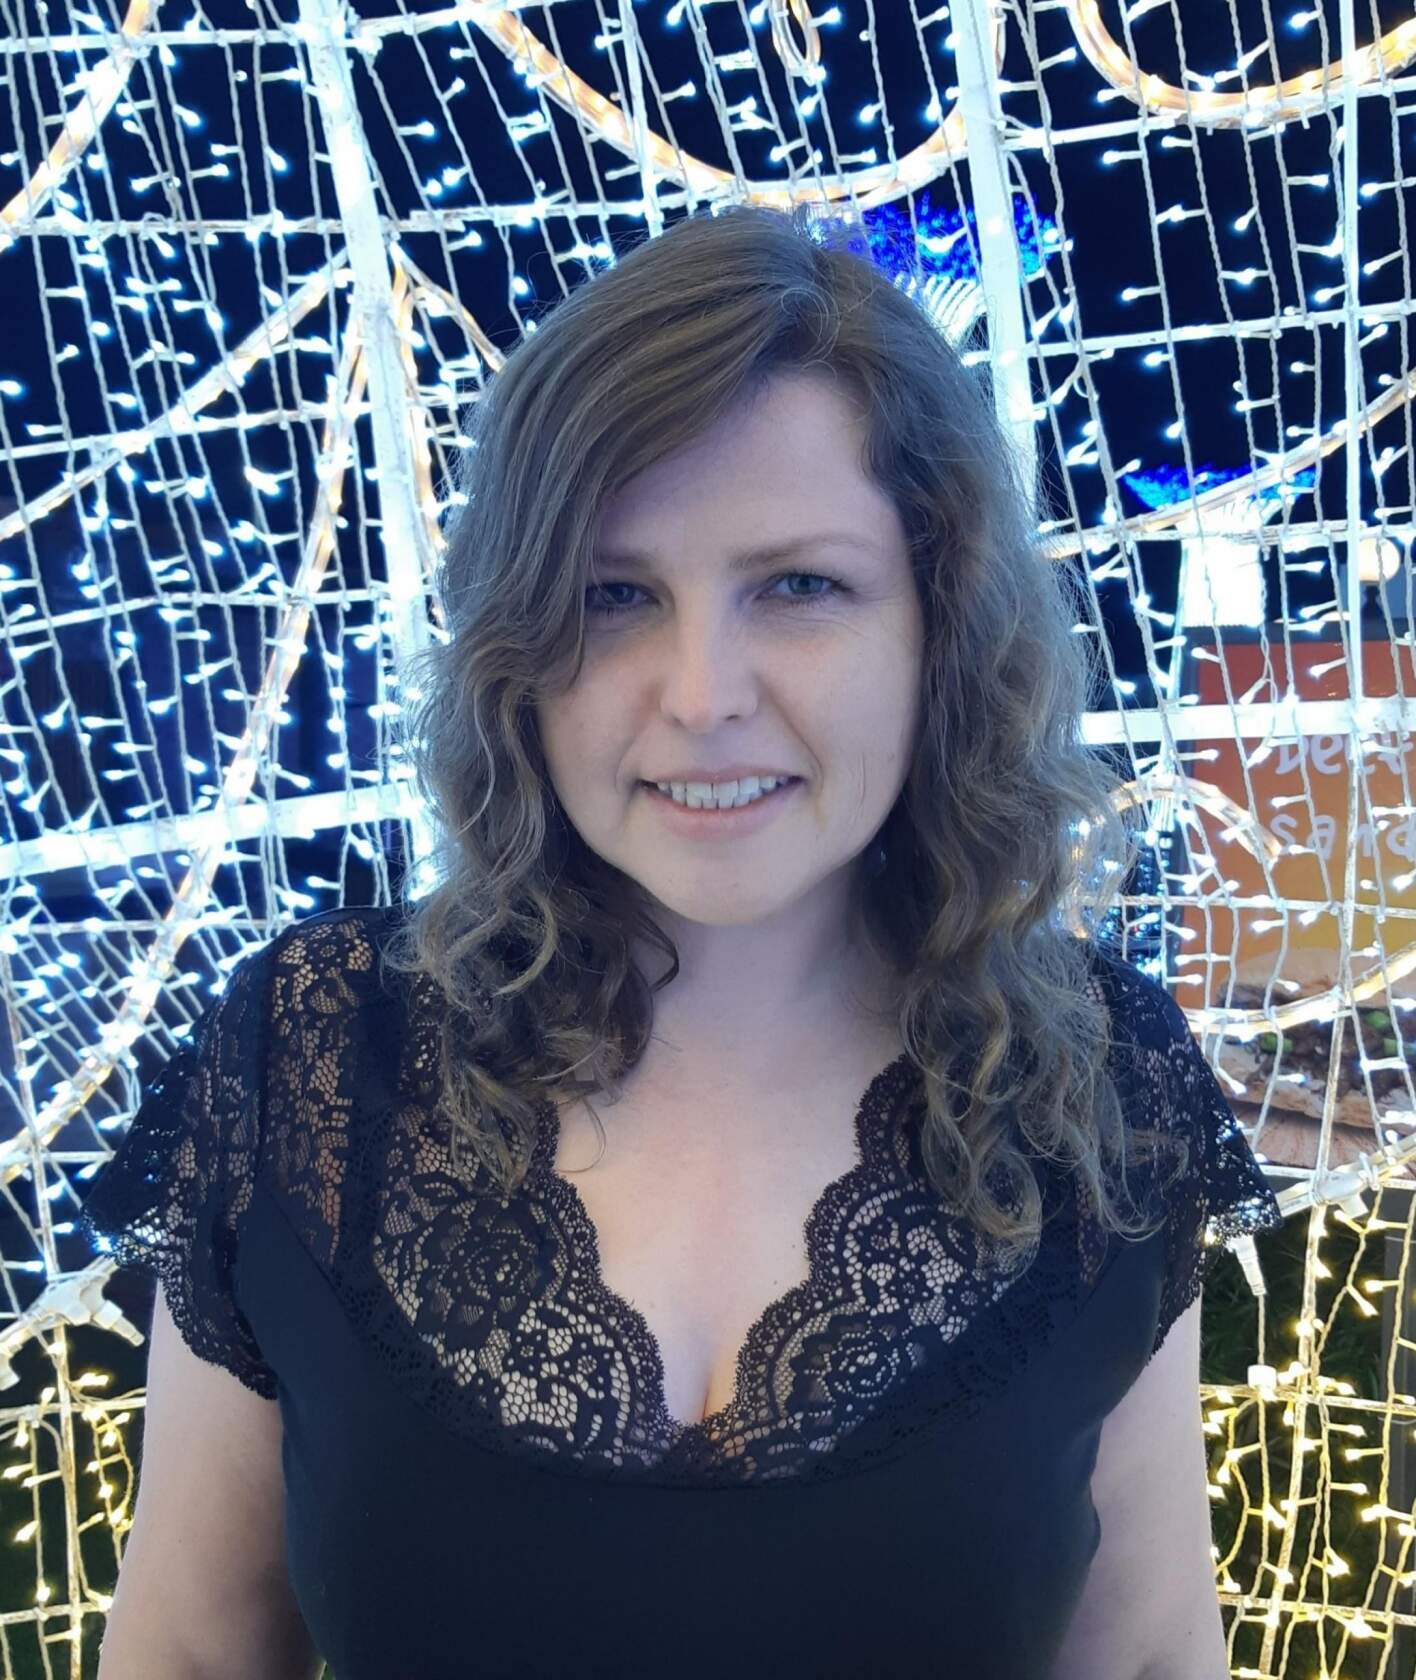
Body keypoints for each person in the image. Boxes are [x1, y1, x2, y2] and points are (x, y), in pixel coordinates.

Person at [81, 202, 1283, 1679]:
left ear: (941, 630)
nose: (704, 693)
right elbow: (189, 1650)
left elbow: (1150, 1654)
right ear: (520, 650)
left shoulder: (1097, 1086)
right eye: (614, 596)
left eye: (800, 586)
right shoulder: (310, 1063)